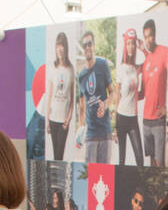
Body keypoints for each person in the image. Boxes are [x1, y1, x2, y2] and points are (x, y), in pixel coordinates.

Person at [77, 31, 112, 164]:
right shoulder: (81, 76)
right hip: (90, 134)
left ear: (94, 45)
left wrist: (105, 104)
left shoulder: (102, 65)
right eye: (84, 45)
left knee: (105, 176)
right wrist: (80, 130)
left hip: (105, 132)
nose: (87, 47)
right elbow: (82, 106)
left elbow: (112, 93)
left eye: (89, 44)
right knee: (90, 175)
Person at [139, 19, 168, 167]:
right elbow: (143, 92)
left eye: (150, 35)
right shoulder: (146, 61)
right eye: (145, 36)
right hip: (145, 120)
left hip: (158, 120)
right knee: (150, 164)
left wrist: (167, 107)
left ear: (155, 35)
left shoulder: (164, 52)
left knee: (159, 163)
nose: (148, 39)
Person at [114, 28, 144, 166]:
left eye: (133, 43)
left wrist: (141, 47)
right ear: (125, 46)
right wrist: (115, 125)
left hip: (133, 118)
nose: (131, 47)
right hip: (121, 117)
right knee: (122, 159)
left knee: (140, 158)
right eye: (128, 43)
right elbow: (117, 96)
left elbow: (149, 60)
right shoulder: (121, 68)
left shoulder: (136, 68)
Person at [47, 31, 76, 161]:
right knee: (55, 155)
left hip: (63, 121)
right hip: (53, 118)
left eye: (61, 46)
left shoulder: (71, 69)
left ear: (66, 47)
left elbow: (72, 97)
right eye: (57, 46)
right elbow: (50, 96)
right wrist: (47, 120)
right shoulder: (53, 68)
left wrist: (68, 119)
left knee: (60, 154)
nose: (59, 49)